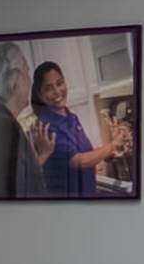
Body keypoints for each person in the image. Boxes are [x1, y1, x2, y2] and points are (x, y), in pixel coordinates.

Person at [22, 60, 128, 197]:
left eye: (60, 83)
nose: (57, 91)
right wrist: (112, 145)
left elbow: (86, 152)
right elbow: (77, 161)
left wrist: (110, 152)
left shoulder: (71, 116)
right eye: (48, 88)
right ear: (40, 94)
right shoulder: (47, 125)